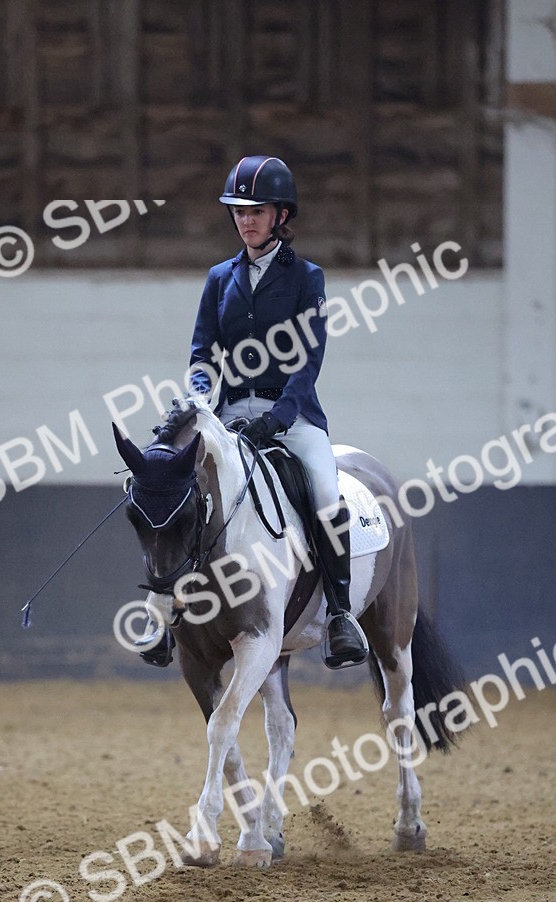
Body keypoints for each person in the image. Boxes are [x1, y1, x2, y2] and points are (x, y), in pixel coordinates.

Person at [185, 154, 368, 669]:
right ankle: (174, 609)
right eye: (239, 211)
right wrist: (200, 395)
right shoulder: (220, 278)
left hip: (292, 416)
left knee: (326, 492)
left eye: (257, 210)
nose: (246, 220)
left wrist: (281, 416)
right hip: (230, 416)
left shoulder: (307, 278)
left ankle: (339, 615)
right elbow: (203, 353)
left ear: (280, 216)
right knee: (181, 486)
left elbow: (309, 360)